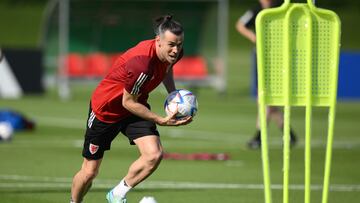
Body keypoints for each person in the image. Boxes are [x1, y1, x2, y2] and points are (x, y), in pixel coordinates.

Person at [70, 15, 191, 203]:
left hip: (135, 106)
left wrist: (173, 95)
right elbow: (128, 102)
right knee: (89, 172)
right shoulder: (142, 64)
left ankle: (117, 194)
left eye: (180, 44)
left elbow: (167, 68)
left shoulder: (174, 53)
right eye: (171, 45)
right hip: (106, 111)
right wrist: (159, 119)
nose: (176, 50)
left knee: (154, 155)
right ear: (158, 40)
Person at [236, 0, 297, 149]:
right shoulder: (256, 11)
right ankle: (288, 133)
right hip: (261, 56)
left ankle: (260, 136)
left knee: (265, 98)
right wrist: (254, 38)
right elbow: (240, 25)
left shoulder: (281, 9)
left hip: (277, 57)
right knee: (265, 98)